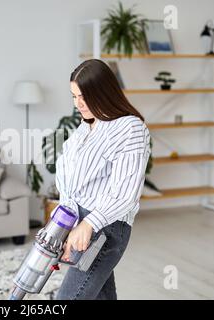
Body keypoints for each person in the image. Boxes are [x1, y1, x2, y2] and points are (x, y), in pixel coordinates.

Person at [54, 59, 151, 300]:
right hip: (80, 223)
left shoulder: (130, 128)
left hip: (105, 228)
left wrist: (88, 225)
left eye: (84, 96)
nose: (78, 103)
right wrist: (64, 226)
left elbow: (125, 193)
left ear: (102, 92)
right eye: (74, 96)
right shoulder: (86, 127)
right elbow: (69, 183)